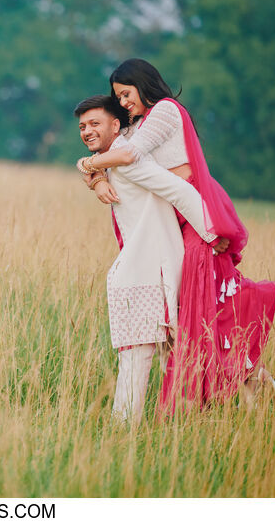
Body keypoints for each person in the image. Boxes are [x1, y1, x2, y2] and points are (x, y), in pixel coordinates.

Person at [77, 58, 275, 415]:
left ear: (144, 84)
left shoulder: (165, 111)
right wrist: (94, 174)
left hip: (197, 211)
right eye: (119, 97)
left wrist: (89, 167)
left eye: (126, 94)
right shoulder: (138, 124)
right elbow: (110, 149)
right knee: (214, 305)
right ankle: (255, 382)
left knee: (205, 302)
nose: (125, 102)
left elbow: (127, 155)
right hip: (176, 218)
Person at [73, 95, 226, 424]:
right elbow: (87, 163)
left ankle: (123, 430)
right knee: (170, 351)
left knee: (140, 356)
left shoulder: (129, 160)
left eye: (95, 123)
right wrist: (94, 176)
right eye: (82, 126)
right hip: (145, 270)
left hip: (146, 273)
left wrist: (214, 235)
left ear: (117, 125)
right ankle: (232, 399)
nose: (87, 131)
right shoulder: (111, 162)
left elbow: (178, 191)